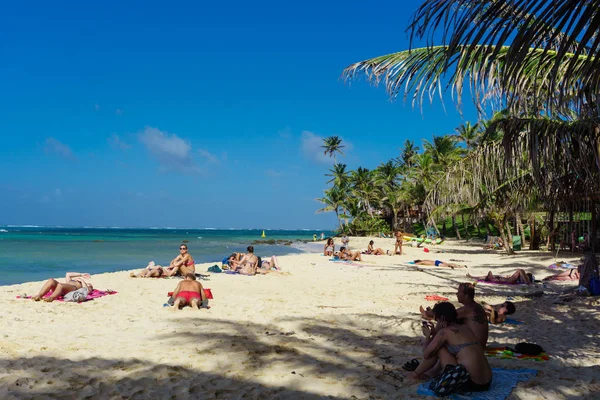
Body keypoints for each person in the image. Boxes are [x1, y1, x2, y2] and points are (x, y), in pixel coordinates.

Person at [407, 302, 492, 395]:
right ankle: (431, 373)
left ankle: (415, 375)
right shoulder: (464, 327)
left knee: (439, 348)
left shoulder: (445, 332)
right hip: (487, 382)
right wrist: (436, 333)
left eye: (436, 318)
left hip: (470, 383)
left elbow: (426, 354)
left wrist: (428, 336)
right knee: (441, 347)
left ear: (441, 318)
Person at [420, 283, 488, 346]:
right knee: (451, 322)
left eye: (459, 292)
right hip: (478, 343)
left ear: (466, 296)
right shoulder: (475, 306)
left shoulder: (467, 309)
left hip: (475, 345)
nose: (456, 294)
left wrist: (431, 313)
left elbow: (447, 315)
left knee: (444, 322)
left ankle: (427, 316)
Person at [130, 244, 195, 278]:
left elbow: (179, 263)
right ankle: (140, 274)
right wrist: (171, 265)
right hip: (183, 272)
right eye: (181, 248)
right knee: (173, 263)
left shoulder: (187, 255)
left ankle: (169, 274)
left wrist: (171, 267)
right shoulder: (180, 255)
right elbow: (172, 261)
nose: (182, 250)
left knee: (178, 264)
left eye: (184, 249)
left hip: (190, 273)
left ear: (186, 250)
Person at [467, 269, 533, 284]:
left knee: (520, 270)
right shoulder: (523, 277)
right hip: (507, 280)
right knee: (495, 276)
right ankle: (473, 277)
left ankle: (528, 283)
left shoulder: (526, 277)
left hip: (508, 281)